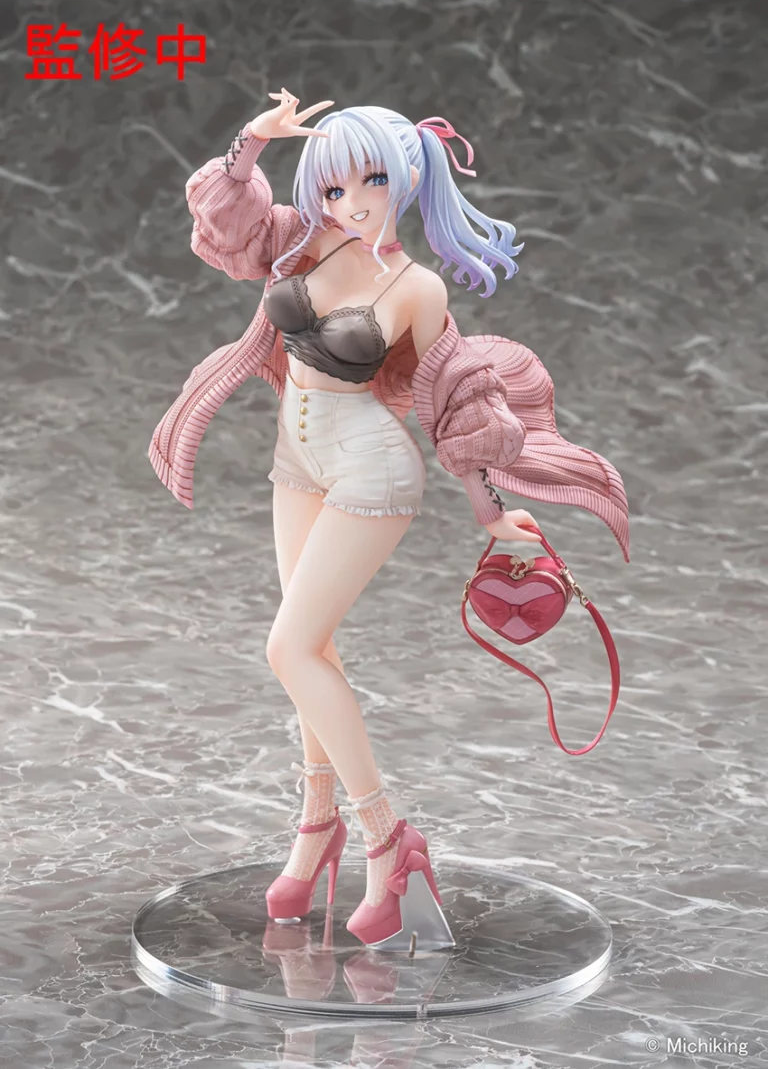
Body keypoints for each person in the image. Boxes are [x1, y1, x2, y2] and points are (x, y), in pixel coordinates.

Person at [147, 89, 630, 949]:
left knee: (289, 648)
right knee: (314, 650)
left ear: (406, 178)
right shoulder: (304, 238)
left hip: (371, 469)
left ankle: (386, 838)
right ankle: (314, 828)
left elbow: (455, 399)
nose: (352, 200)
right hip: (296, 463)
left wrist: (489, 512)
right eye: (334, 185)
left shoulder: (416, 288)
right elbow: (227, 221)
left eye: (370, 181)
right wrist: (252, 141)